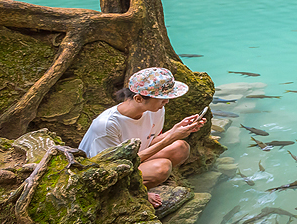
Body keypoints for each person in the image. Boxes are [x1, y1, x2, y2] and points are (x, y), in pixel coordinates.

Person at [78, 67, 205, 207]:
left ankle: (142, 184)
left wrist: (175, 131)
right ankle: (135, 192)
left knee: (180, 147)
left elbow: (148, 142)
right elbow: (112, 167)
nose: (167, 102)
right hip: (105, 173)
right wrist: (169, 138)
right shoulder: (107, 125)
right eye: (162, 98)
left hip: (130, 160)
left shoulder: (156, 109)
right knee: (162, 168)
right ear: (138, 98)